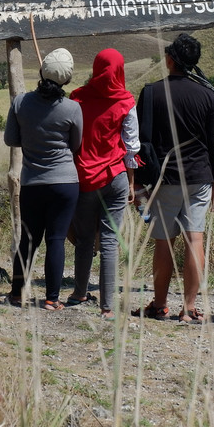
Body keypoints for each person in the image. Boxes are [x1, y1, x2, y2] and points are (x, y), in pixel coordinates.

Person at [133, 33, 214, 323]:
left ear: (170, 60)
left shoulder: (151, 92)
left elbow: (141, 141)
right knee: (195, 240)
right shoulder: (208, 94)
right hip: (200, 177)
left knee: (163, 242)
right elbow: (213, 144)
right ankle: (190, 308)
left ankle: (159, 306)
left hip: (165, 178)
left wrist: (138, 182)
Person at [4, 48, 83, 311]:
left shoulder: (20, 103)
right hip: (64, 183)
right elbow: (76, 145)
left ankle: (17, 294)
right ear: (67, 80)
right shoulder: (73, 108)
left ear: (41, 73)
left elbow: (11, 140)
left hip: (32, 183)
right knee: (56, 240)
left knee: (28, 239)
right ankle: (52, 299)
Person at [65, 48, 139, 320]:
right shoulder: (126, 101)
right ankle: (107, 306)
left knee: (84, 239)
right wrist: (131, 183)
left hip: (84, 178)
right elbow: (131, 148)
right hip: (115, 176)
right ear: (120, 70)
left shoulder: (77, 98)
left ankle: (79, 293)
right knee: (109, 240)